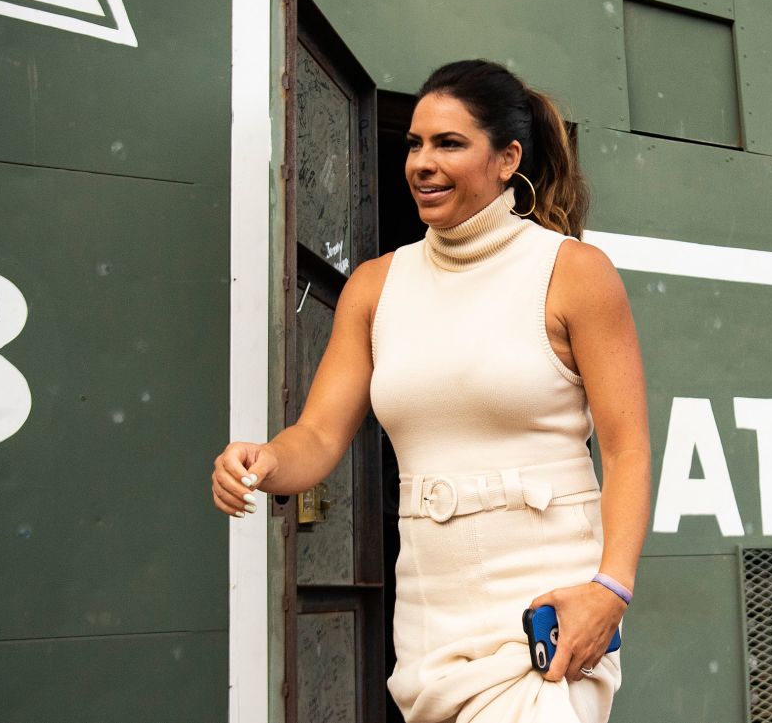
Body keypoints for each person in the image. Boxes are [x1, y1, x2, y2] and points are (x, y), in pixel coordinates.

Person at [211, 59, 652, 723]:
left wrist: (610, 588)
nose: (422, 161)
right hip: (430, 616)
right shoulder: (374, 286)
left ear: (508, 159)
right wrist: (266, 460)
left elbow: (627, 449)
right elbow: (320, 435)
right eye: (415, 143)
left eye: (449, 143)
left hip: (548, 603)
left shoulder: (573, 273)